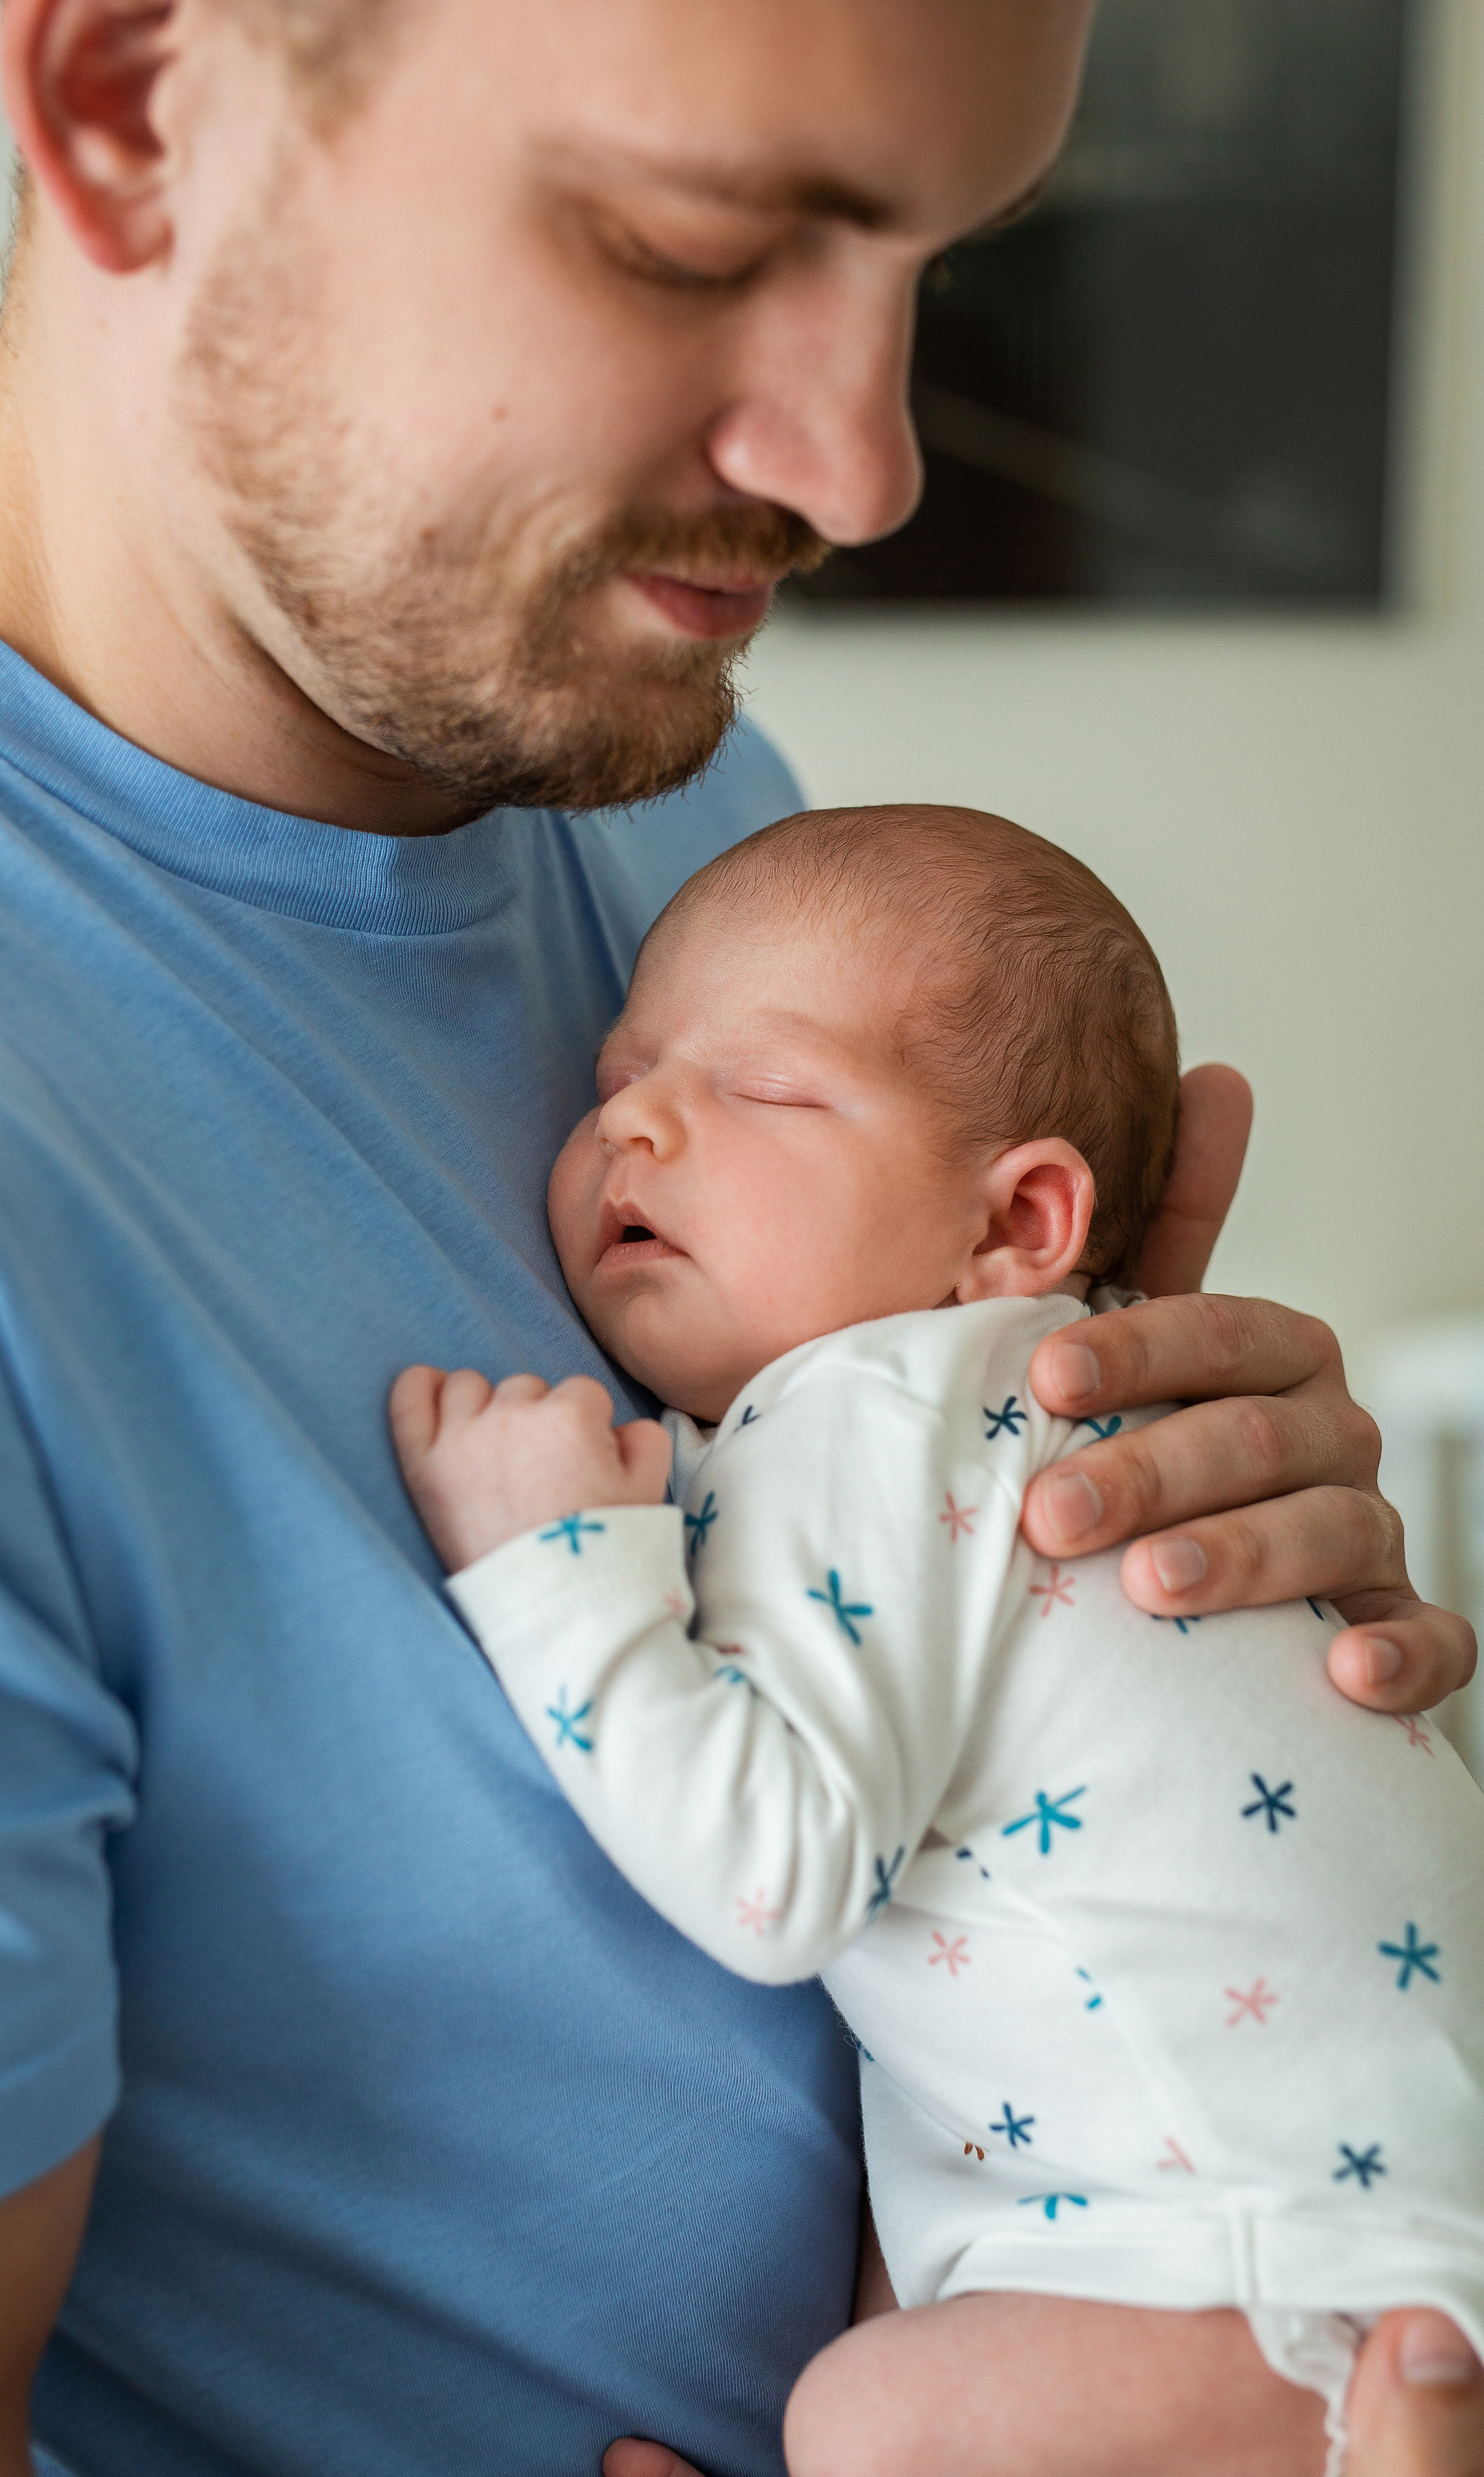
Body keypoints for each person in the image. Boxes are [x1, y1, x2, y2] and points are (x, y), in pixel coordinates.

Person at [0, 3, 1477, 2472]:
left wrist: (1179, 1587)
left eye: (933, 261)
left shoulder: (688, 834)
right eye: (694, 242)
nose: (867, 463)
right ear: (133, 101)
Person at [391, 802, 1484, 2477]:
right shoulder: (1019, 1397)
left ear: (1015, 1228)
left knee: (869, 2421)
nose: (634, 1126)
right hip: (1341, 2234)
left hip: (1250, 2270)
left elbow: (777, 1878)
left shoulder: (871, 1401)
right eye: (620, 1077)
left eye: (766, 1090)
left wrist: (553, 1562)